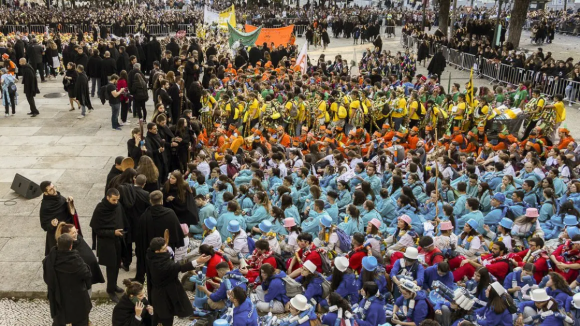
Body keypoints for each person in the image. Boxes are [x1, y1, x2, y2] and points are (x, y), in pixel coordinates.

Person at [146, 237, 210, 326]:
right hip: (164, 297)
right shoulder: (163, 266)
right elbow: (179, 267)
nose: (167, 250)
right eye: (164, 248)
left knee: (157, 317)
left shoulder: (150, 256)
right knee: (166, 318)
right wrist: (197, 261)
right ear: (157, 251)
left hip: (155, 294)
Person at [43, 233, 92, 326]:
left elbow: (47, 278)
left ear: (57, 244)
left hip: (58, 297)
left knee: (59, 321)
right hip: (76, 298)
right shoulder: (76, 261)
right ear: (71, 246)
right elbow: (87, 274)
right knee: (80, 321)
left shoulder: (49, 260)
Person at [137, 190, 185, 283]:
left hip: (152, 253)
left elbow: (140, 238)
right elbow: (177, 233)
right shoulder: (170, 213)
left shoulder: (144, 216)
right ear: (162, 201)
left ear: (150, 201)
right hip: (167, 250)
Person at [89, 188, 125, 303]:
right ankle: (110, 290)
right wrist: (112, 232)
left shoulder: (118, 206)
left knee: (117, 264)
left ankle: (114, 285)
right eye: (113, 200)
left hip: (117, 240)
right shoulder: (100, 209)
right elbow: (98, 230)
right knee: (111, 266)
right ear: (107, 198)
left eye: (117, 200)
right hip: (106, 243)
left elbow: (121, 219)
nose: (116, 202)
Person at [55, 222, 104, 291]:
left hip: (87, 274)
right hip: (79, 279)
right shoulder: (67, 246)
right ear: (66, 235)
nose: (76, 234)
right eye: (73, 233)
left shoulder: (79, 239)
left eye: (76, 231)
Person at [39, 181, 74, 256]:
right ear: (45, 193)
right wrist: (51, 224)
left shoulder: (59, 197)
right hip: (57, 235)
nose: (54, 190)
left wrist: (69, 203)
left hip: (68, 230)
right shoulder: (45, 207)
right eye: (51, 189)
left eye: (54, 187)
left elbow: (69, 212)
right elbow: (44, 225)